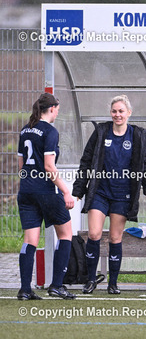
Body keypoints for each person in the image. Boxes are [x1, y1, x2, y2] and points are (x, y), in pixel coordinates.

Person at [73, 95, 146, 295]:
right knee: (94, 234)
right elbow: (86, 161)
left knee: (114, 237)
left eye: (121, 111)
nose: (117, 115)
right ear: (110, 113)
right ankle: (90, 280)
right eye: (114, 111)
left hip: (123, 195)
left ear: (129, 113)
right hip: (100, 192)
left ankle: (113, 283)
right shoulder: (101, 132)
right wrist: (79, 189)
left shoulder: (138, 136)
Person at [17, 93, 76, 300]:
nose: (58, 112)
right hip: (46, 191)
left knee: (30, 240)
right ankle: (57, 285)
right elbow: (49, 167)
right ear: (51, 109)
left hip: (26, 191)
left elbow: (21, 166)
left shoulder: (25, 129)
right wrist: (66, 191)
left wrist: (29, 183)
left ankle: (25, 289)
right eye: (57, 109)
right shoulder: (50, 131)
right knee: (65, 234)